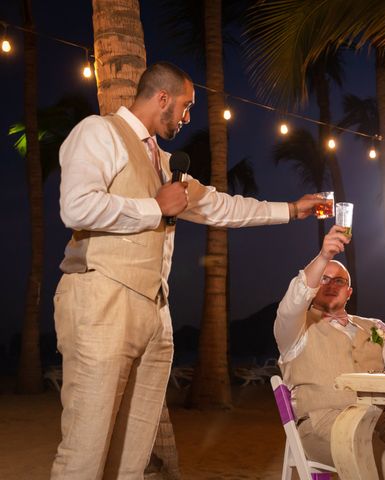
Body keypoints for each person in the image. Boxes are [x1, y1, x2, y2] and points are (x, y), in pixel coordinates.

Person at [51, 61, 322, 479]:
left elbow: (223, 206)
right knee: (86, 445)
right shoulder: (98, 132)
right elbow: (76, 206)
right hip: (101, 298)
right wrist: (154, 208)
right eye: (186, 106)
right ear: (163, 98)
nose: (187, 116)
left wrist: (292, 210)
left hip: (154, 314)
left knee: (132, 453)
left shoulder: (164, 162)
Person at [275, 225, 385, 480]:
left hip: (384, 418)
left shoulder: (372, 327)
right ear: (313, 286)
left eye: (340, 281)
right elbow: (292, 302)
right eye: (324, 278)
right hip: (327, 422)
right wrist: (324, 256)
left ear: (349, 292)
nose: (331, 284)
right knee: (384, 464)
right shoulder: (295, 328)